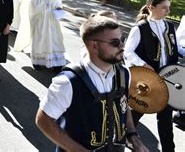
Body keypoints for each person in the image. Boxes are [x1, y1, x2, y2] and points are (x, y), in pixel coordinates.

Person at [36, 16, 149, 152]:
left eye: (122, 40)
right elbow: (43, 120)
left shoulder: (124, 73)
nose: (122, 46)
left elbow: (123, 106)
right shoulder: (68, 81)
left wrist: (133, 137)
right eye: (115, 42)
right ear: (94, 45)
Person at [124, 0, 184, 152]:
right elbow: (128, 52)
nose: (168, 11)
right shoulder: (140, 28)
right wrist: (143, 64)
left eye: (168, 8)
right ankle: (123, 138)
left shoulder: (170, 26)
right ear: (151, 7)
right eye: (164, 8)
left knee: (165, 119)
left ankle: (168, 149)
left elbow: (174, 50)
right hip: (148, 79)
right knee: (138, 110)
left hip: (167, 78)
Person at [30, 0, 67, 71]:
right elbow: (34, 4)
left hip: (52, 17)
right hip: (41, 18)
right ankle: (37, 61)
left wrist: (59, 6)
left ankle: (57, 63)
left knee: (55, 39)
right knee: (41, 40)